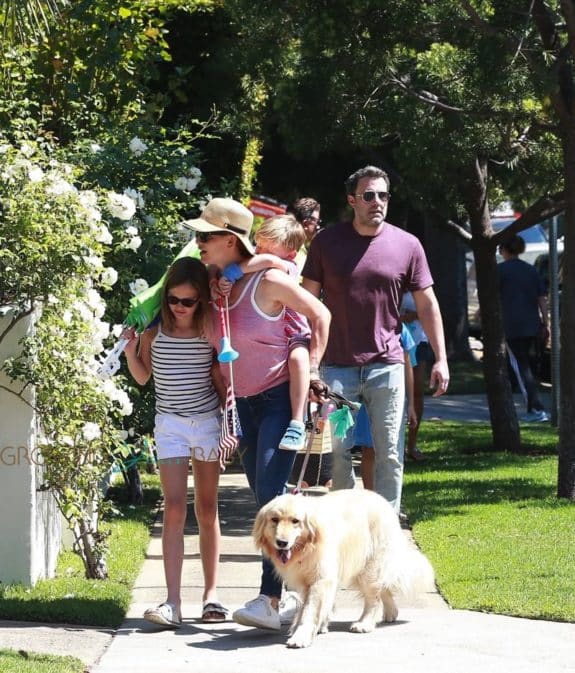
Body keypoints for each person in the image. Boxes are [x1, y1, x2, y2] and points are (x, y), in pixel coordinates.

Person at [182, 197, 331, 631]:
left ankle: (269, 598)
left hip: (277, 399)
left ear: (230, 240)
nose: (197, 243)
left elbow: (320, 313)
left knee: (271, 498)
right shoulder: (217, 283)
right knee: (269, 498)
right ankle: (303, 588)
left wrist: (315, 366)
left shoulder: (268, 280)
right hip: (242, 405)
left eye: (204, 237)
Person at [302, 165, 449, 515]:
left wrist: (441, 357)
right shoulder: (327, 243)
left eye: (383, 195)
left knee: (390, 453)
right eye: (369, 195)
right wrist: (308, 364)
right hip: (337, 370)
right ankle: (346, 524)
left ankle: (385, 533)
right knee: (337, 453)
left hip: (387, 367)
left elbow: (428, 304)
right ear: (352, 200)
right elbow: (305, 302)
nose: (377, 202)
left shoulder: (407, 244)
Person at [123, 257, 229, 626]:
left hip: (207, 426)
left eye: (188, 301)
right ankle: (172, 601)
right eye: (173, 300)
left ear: (201, 300)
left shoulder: (211, 330)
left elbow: (223, 381)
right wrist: (128, 349)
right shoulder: (155, 332)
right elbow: (142, 377)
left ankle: (211, 596)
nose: (179, 308)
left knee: (207, 509)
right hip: (169, 427)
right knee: (172, 509)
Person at [356, 324, 418, 491]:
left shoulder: (400, 329)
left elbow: (408, 366)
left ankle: (387, 498)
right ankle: (370, 496)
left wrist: (411, 404)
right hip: (367, 397)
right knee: (369, 450)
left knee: (391, 450)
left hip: (390, 395)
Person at [498, 235, 549, 422]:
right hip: (531, 325)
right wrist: (546, 322)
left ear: (504, 249)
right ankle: (531, 407)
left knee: (520, 367)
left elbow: (492, 297)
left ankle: (536, 409)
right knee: (528, 365)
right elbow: (542, 298)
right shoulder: (530, 270)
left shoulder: (500, 270)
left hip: (511, 326)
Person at [400, 290, 434, 461]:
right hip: (393, 340)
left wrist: (415, 314)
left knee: (417, 391)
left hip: (418, 340)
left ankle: (412, 446)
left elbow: (431, 309)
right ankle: (391, 445)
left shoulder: (419, 284)